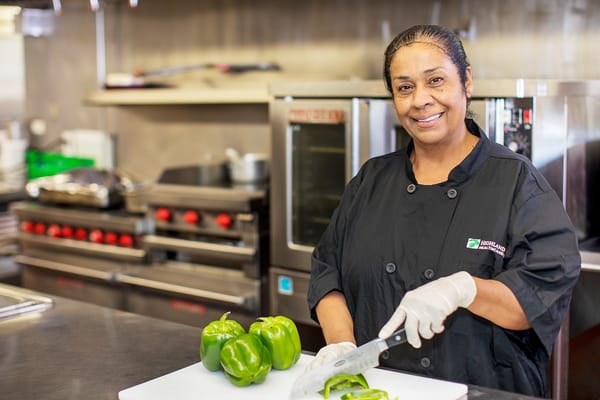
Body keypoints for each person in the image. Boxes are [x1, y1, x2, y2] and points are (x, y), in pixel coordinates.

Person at [306, 24, 581, 398]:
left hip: (483, 392)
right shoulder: (371, 179)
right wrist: (342, 344)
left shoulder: (517, 182)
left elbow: (539, 295)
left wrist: (464, 288)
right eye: (405, 87)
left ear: (466, 81)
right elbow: (327, 271)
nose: (420, 100)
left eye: (435, 80)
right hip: (379, 390)